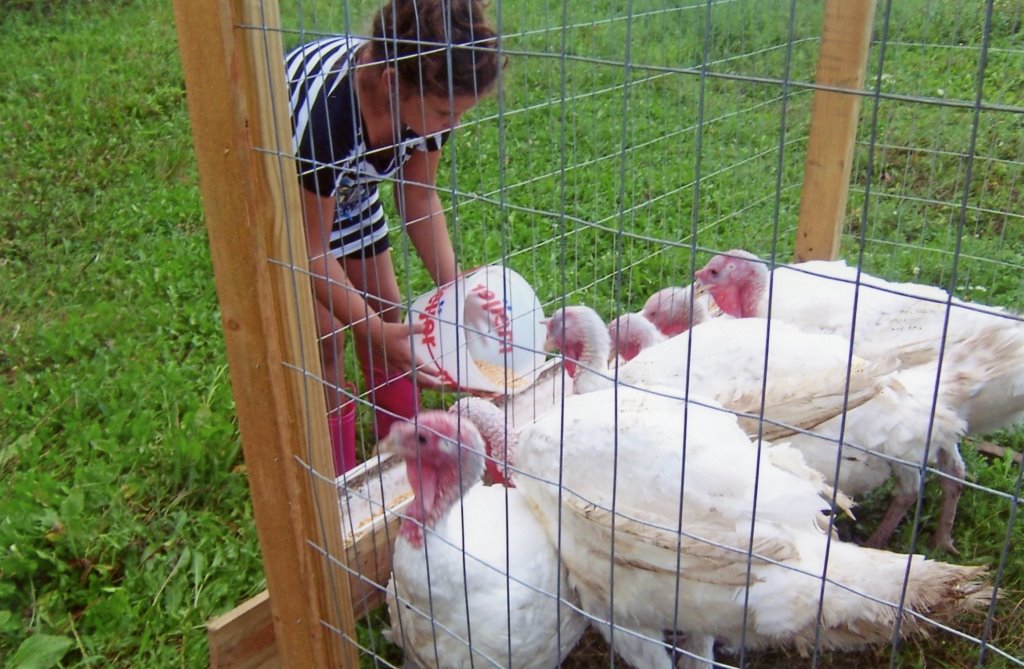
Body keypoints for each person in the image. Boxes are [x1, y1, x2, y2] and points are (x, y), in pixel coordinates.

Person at [287, 0, 501, 474]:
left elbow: (419, 196)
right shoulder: (328, 121)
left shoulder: (426, 91)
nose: (454, 125)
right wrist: (373, 331)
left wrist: (455, 289)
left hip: (351, 188)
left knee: (387, 310)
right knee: (325, 338)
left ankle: (401, 462)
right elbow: (311, 249)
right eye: (447, 112)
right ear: (391, 84)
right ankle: (339, 478)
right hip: (288, 197)